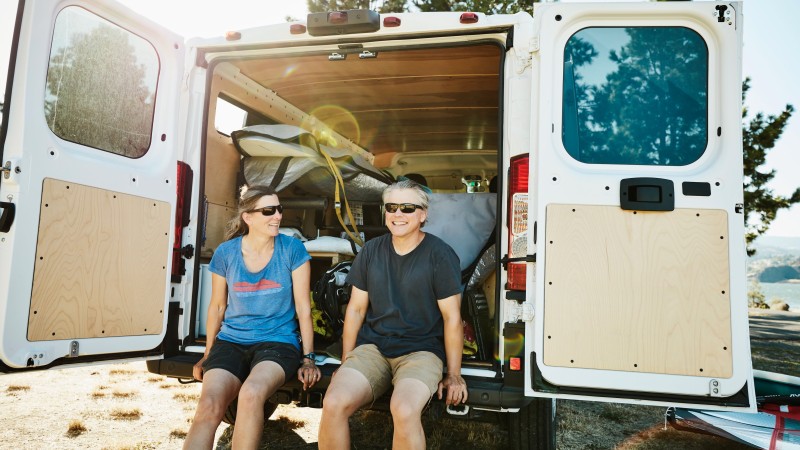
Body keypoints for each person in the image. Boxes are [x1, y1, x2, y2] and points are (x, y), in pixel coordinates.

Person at [318, 179, 468, 450]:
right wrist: (346, 361)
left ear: (423, 215)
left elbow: (452, 319)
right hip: (374, 348)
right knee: (333, 402)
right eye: (392, 207)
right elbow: (356, 308)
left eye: (408, 207)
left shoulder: (440, 255)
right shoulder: (371, 250)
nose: (398, 214)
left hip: (421, 351)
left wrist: (454, 374)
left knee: (405, 409)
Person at [184, 185, 321, 450]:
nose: (278, 216)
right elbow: (217, 307)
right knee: (209, 404)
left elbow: (304, 308)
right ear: (248, 217)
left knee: (251, 394)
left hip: (278, 343)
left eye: (279, 209)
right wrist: (208, 353)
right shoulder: (226, 252)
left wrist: (308, 358)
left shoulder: (292, 249)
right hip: (232, 340)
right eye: (268, 211)